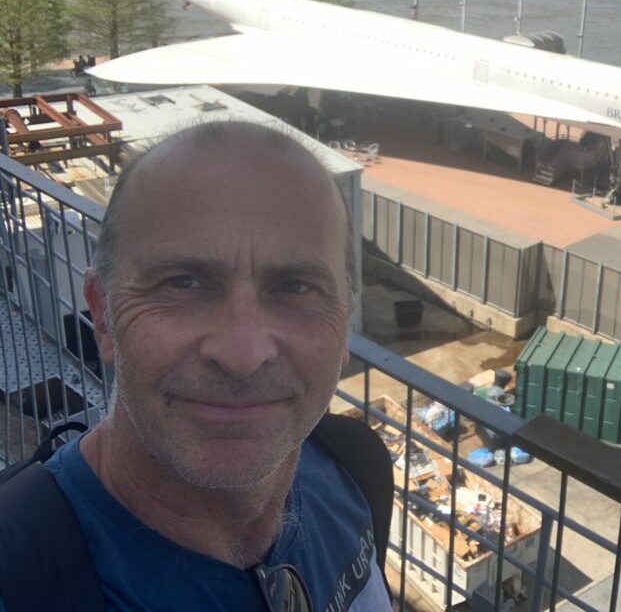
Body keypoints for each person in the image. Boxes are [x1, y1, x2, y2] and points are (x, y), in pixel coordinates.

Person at [0, 121, 392, 611]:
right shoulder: (18, 574)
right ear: (103, 315)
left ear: (344, 329)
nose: (243, 356)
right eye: (183, 283)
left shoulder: (355, 467)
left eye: (295, 287)